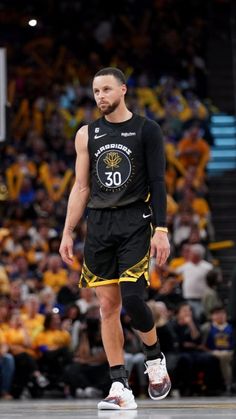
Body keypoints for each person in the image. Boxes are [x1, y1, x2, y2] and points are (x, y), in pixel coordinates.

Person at [59, 67, 171, 410]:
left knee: (133, 300)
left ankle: (154, 358)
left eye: (106, 89)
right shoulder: (86, 134)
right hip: (100, 225)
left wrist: (162, 230)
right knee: (107, 307)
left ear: (123, 90)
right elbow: (81, 187)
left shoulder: (146, 129)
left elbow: (158, 183)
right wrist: (68, 230)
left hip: (136, 221)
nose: (100, 96)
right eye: (95, 92)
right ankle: (119, 386)